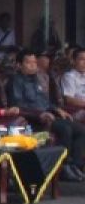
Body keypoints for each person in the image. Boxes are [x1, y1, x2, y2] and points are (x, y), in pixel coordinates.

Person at [8, 49, 85, 180]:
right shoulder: (15, 81)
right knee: (65, 129)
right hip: (34, 121)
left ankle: (75, 166)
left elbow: (45, 102)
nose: (33, 65)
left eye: (34, 62)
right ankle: (62, 167)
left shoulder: (36, 81)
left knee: (80, 129)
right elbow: (18, 106)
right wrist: (40, 115)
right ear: (19, 65)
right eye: (28, 62)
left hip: (49, 116)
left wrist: (57, 110)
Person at [60, 47, 85, 113]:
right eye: (82, 59)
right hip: (77, 110)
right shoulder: (69, 76)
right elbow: (69, 99)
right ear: (74, 61)